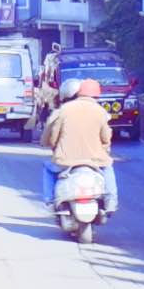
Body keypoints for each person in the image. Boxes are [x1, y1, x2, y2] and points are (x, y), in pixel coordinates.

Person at [40, 79, 118, 214]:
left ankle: (50, 200)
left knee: (48, 168)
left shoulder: (63, 110)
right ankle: (111, 200)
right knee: (108, 167)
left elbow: (52, 138)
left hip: (65, 161)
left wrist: (55, 147)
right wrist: (104, 150)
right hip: (95, 161)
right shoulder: (100, 111)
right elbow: (106, 139)